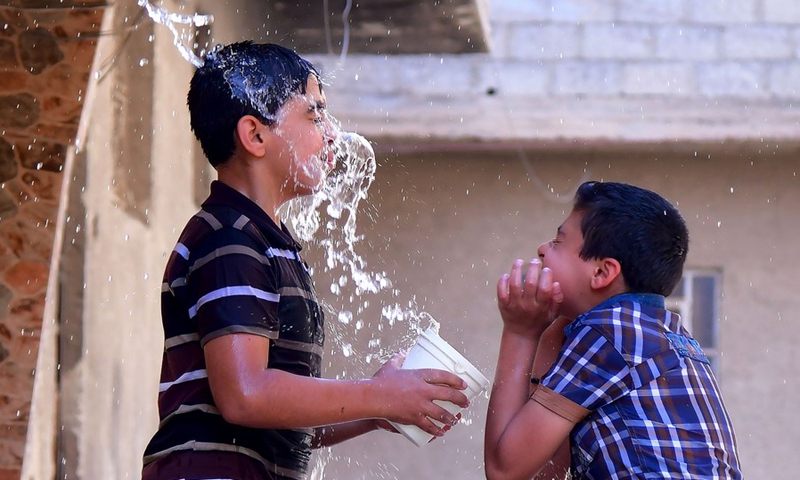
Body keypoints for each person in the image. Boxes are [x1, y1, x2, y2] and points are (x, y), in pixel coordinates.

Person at [141, 41, 468, 480]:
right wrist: (379, 394)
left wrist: (377, 410)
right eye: (315, 116)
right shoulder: (229, 240)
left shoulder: (267, 242)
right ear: (255, 135)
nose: (333, 134)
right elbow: (245, 395)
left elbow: (280, 417)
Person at [484, 181, 743, 480]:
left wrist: (520, 333)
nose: (542, 250)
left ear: (602, 272)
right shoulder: (662, 333)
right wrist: (549, 332)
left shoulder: (608, 332)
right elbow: (546, 470)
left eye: (557, 242)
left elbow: (505, 470)